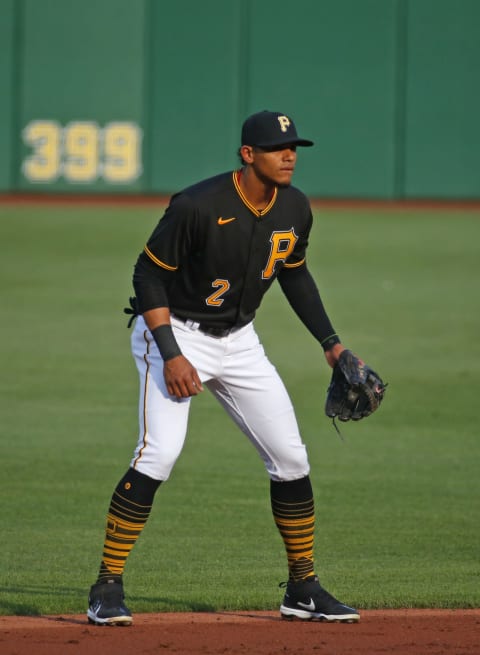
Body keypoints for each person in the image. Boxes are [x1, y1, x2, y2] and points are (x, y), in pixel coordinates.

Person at [87, 110, 360, 626]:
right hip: (174, 331)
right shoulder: (197, 205)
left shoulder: (295, 207)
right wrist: (171, 354)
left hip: (240, 343)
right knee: (159, 453)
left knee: (291, 458)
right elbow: (147, 275)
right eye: (277, 148)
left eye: (293, 147)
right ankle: (106, 586)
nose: (288, 156)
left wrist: (333, 346)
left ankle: (302, 589)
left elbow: (295, 275)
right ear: (247, 154)